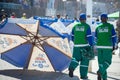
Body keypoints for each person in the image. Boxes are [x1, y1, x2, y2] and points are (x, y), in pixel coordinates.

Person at [68, 13, 94, 79]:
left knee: (75, 58)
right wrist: (91, 45)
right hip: (85, 46)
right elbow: (89, 37)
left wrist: (76, 42)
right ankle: (83, 75)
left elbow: (72, 37)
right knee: (84, 61)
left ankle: (71, 67)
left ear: (79, 19)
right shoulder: (87, 26)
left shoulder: (75, 26)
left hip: (76, 46)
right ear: (85, 19)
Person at [95, 13, 117, 80]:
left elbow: (96, 38)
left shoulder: (98, 27)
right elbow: (114, 37)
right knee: (108, 62)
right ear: (107, 19)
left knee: (101, 63)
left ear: (101, 19)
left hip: (99, 47)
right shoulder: (110, 26)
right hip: (107, 46)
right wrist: (114, 45)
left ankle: (104, 78)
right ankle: (100, 72)